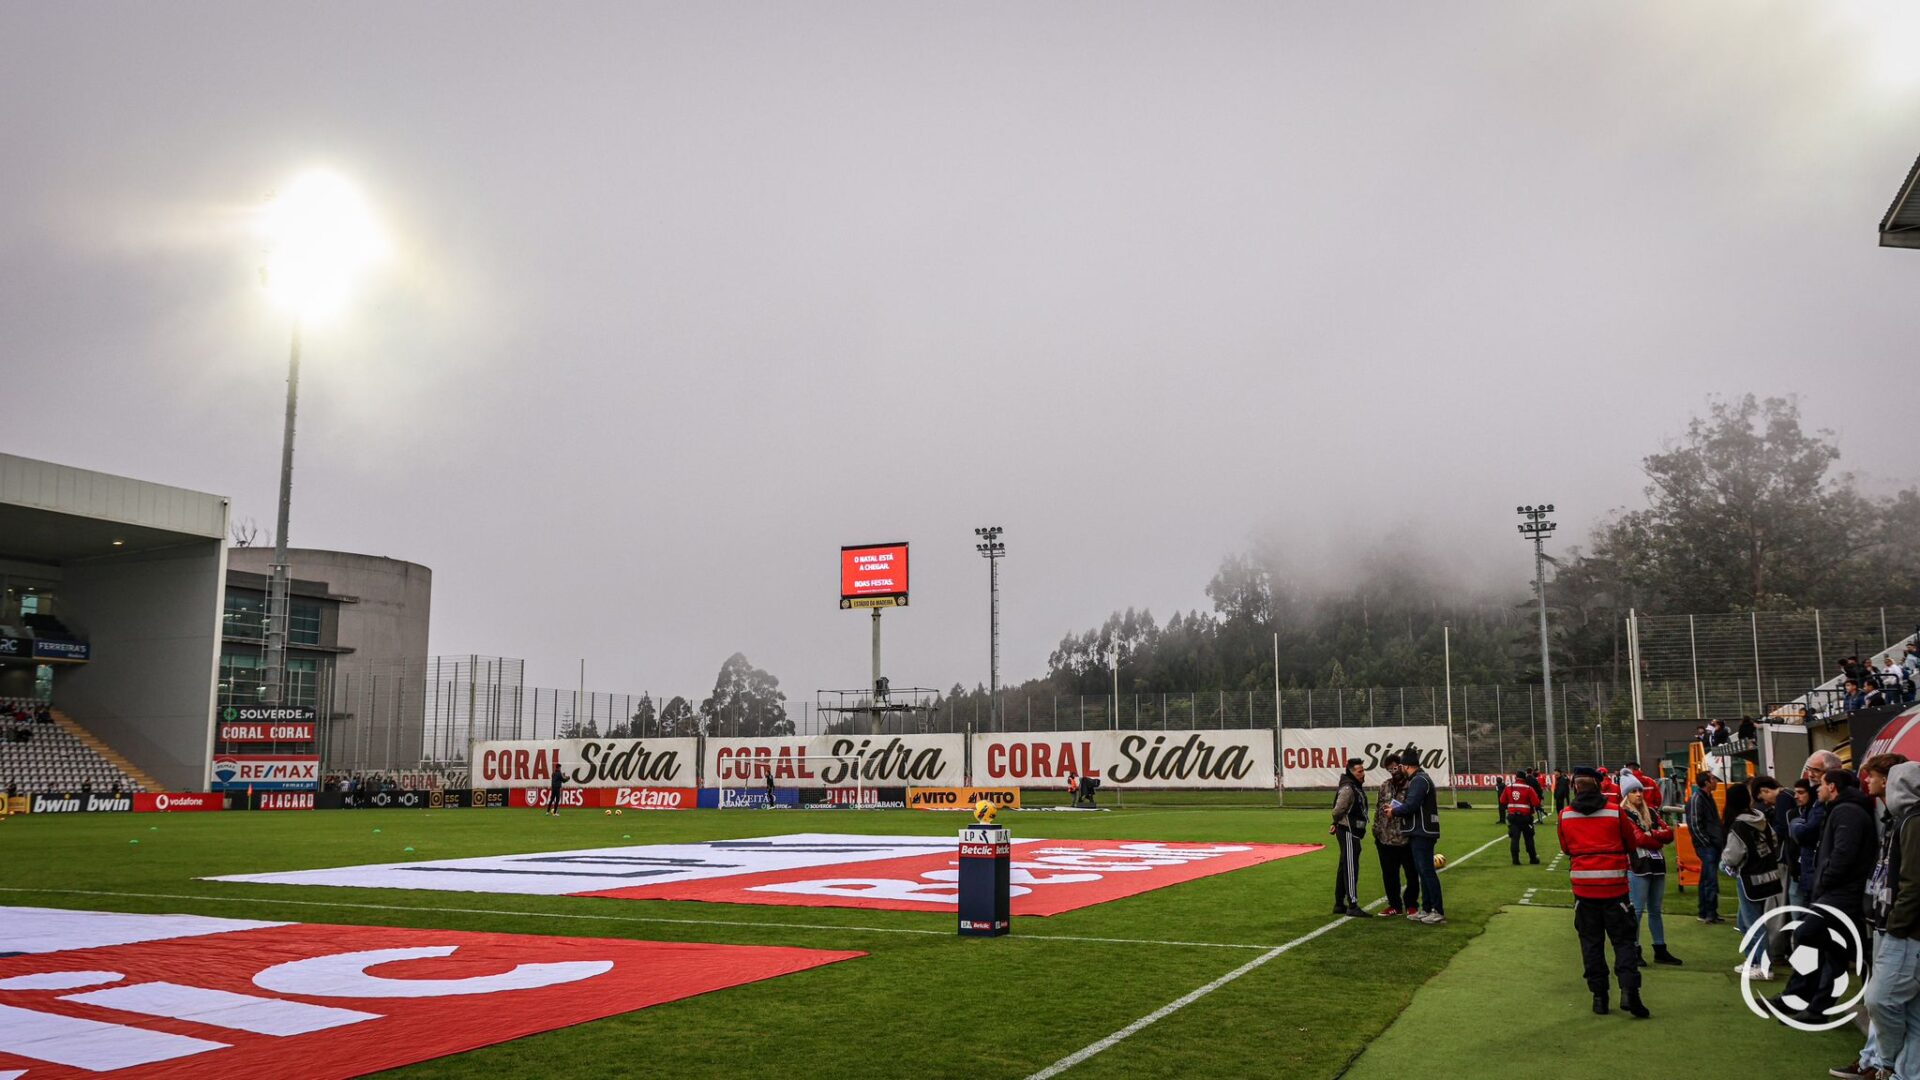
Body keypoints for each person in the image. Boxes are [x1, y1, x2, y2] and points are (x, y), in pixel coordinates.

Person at [1776, 769, 1877, 1024]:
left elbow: (1843, 854)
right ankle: (1812, 1004)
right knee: (1832, 950)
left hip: (1840, 892)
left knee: (1809, 935)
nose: (1815, 789)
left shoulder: (1847, 812)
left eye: (1819, 784)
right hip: (1838, 891)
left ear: (1832, 786)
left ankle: (1808, 1001)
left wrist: (1825, 880)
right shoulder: (1843, 809)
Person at [1559, 772, 1649, 1018]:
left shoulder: (1565, 815)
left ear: (1575, 789)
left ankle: (1599, 997)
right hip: (1614, 889)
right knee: (1623, 942)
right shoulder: (1613, 812)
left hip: (1584, 891)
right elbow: (1630, 843)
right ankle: (1630, 992)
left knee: (1591, 944)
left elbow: (1566, 847)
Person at [1861, 761, 1920, 1080]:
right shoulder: (1903, 821)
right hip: (1899, 925)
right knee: (1912, 1013)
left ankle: (1885, 1063)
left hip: (1905, 931)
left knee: (1880, 999)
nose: (1868, 781)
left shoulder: (1913, 821)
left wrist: (1896, 925)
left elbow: (1913, 882)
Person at [1721, 779, 1787, 979]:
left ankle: (1763, 965)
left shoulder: (1739, 825)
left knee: (1754, 923)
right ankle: (1754, 960)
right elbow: (1774, 840)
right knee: (1744, 921)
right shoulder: (1760, 819)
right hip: (1767, 875)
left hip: (1749, 877)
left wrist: (1726, 865)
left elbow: (1732, 856)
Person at [1621, 775, 1681, 965]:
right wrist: (1657, 838)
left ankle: (1660, 949)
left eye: (1640, 790)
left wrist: (1652, 834)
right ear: (1626, 795)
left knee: (1655, 909)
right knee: (1636, 910)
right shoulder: (1624, 814)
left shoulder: (1652, 812)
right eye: (1633, 791)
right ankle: (1634, 950)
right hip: (1637, 865)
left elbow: (1669, 833)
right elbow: (1638, 838)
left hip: (1656, 864)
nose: (1638, 794)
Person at [1389, 748, 1444, 925]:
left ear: (1406, 766)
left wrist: (1394, 811)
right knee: (1423, 871)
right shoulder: (1420, 779)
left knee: (1427, 871)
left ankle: (1437, 910)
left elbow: (1412, 805)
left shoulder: (1419, 780)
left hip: (1423, 831)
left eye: (1401, 767)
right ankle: (1427, 908)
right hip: (1421, 830)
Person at [1373, 753, 1420, 917]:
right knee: (1389, 874)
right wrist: (1377, 831)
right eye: (1389, 769)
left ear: (1402, 765)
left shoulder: (1413, 784)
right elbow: (1378, 810)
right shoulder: (1385, 786)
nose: (1393, 771)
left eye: (1395, 767)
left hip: (1407, 837)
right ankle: (1394, 905)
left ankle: (1412, 904)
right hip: (1385, 839)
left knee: (1412, 874)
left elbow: (1414, 808)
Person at [1329, 759, 1368, 917]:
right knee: (1351, 866)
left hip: (1350, 829)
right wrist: (1337, 821)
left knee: (1345, 864)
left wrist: (1335, 822)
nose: (1363, 774)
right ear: (1351, 772)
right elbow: (1338, 810)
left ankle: (1339, 903)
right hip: (1348, 830)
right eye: (1359, 771)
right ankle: (1352, 904)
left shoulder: (1353, 786)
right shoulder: (1348, 788)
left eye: (1363, 770)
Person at [1687, 771, 1726, 924]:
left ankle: (1705, 911)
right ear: (1707, 783)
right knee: (1710, 879)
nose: (1716, 781)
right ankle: (1710, 912)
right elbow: (1695, 825)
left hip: (1711, 844)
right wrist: (1707, 842)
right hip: (1707, 845)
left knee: (1706, 878)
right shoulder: (1697, 799)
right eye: (1713, 779)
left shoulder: (1707, 798)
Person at [1503, 769, 1541, 865]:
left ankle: (1515, 860)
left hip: (1512, 817)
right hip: (1525, 817)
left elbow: (1502, 800)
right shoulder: (1528, 788)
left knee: (1514, 838)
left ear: (1515, 777)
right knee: (1529, 838)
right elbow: (1536, 802)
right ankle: (1533, 858)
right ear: (1525, 778)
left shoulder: (1509, 787)